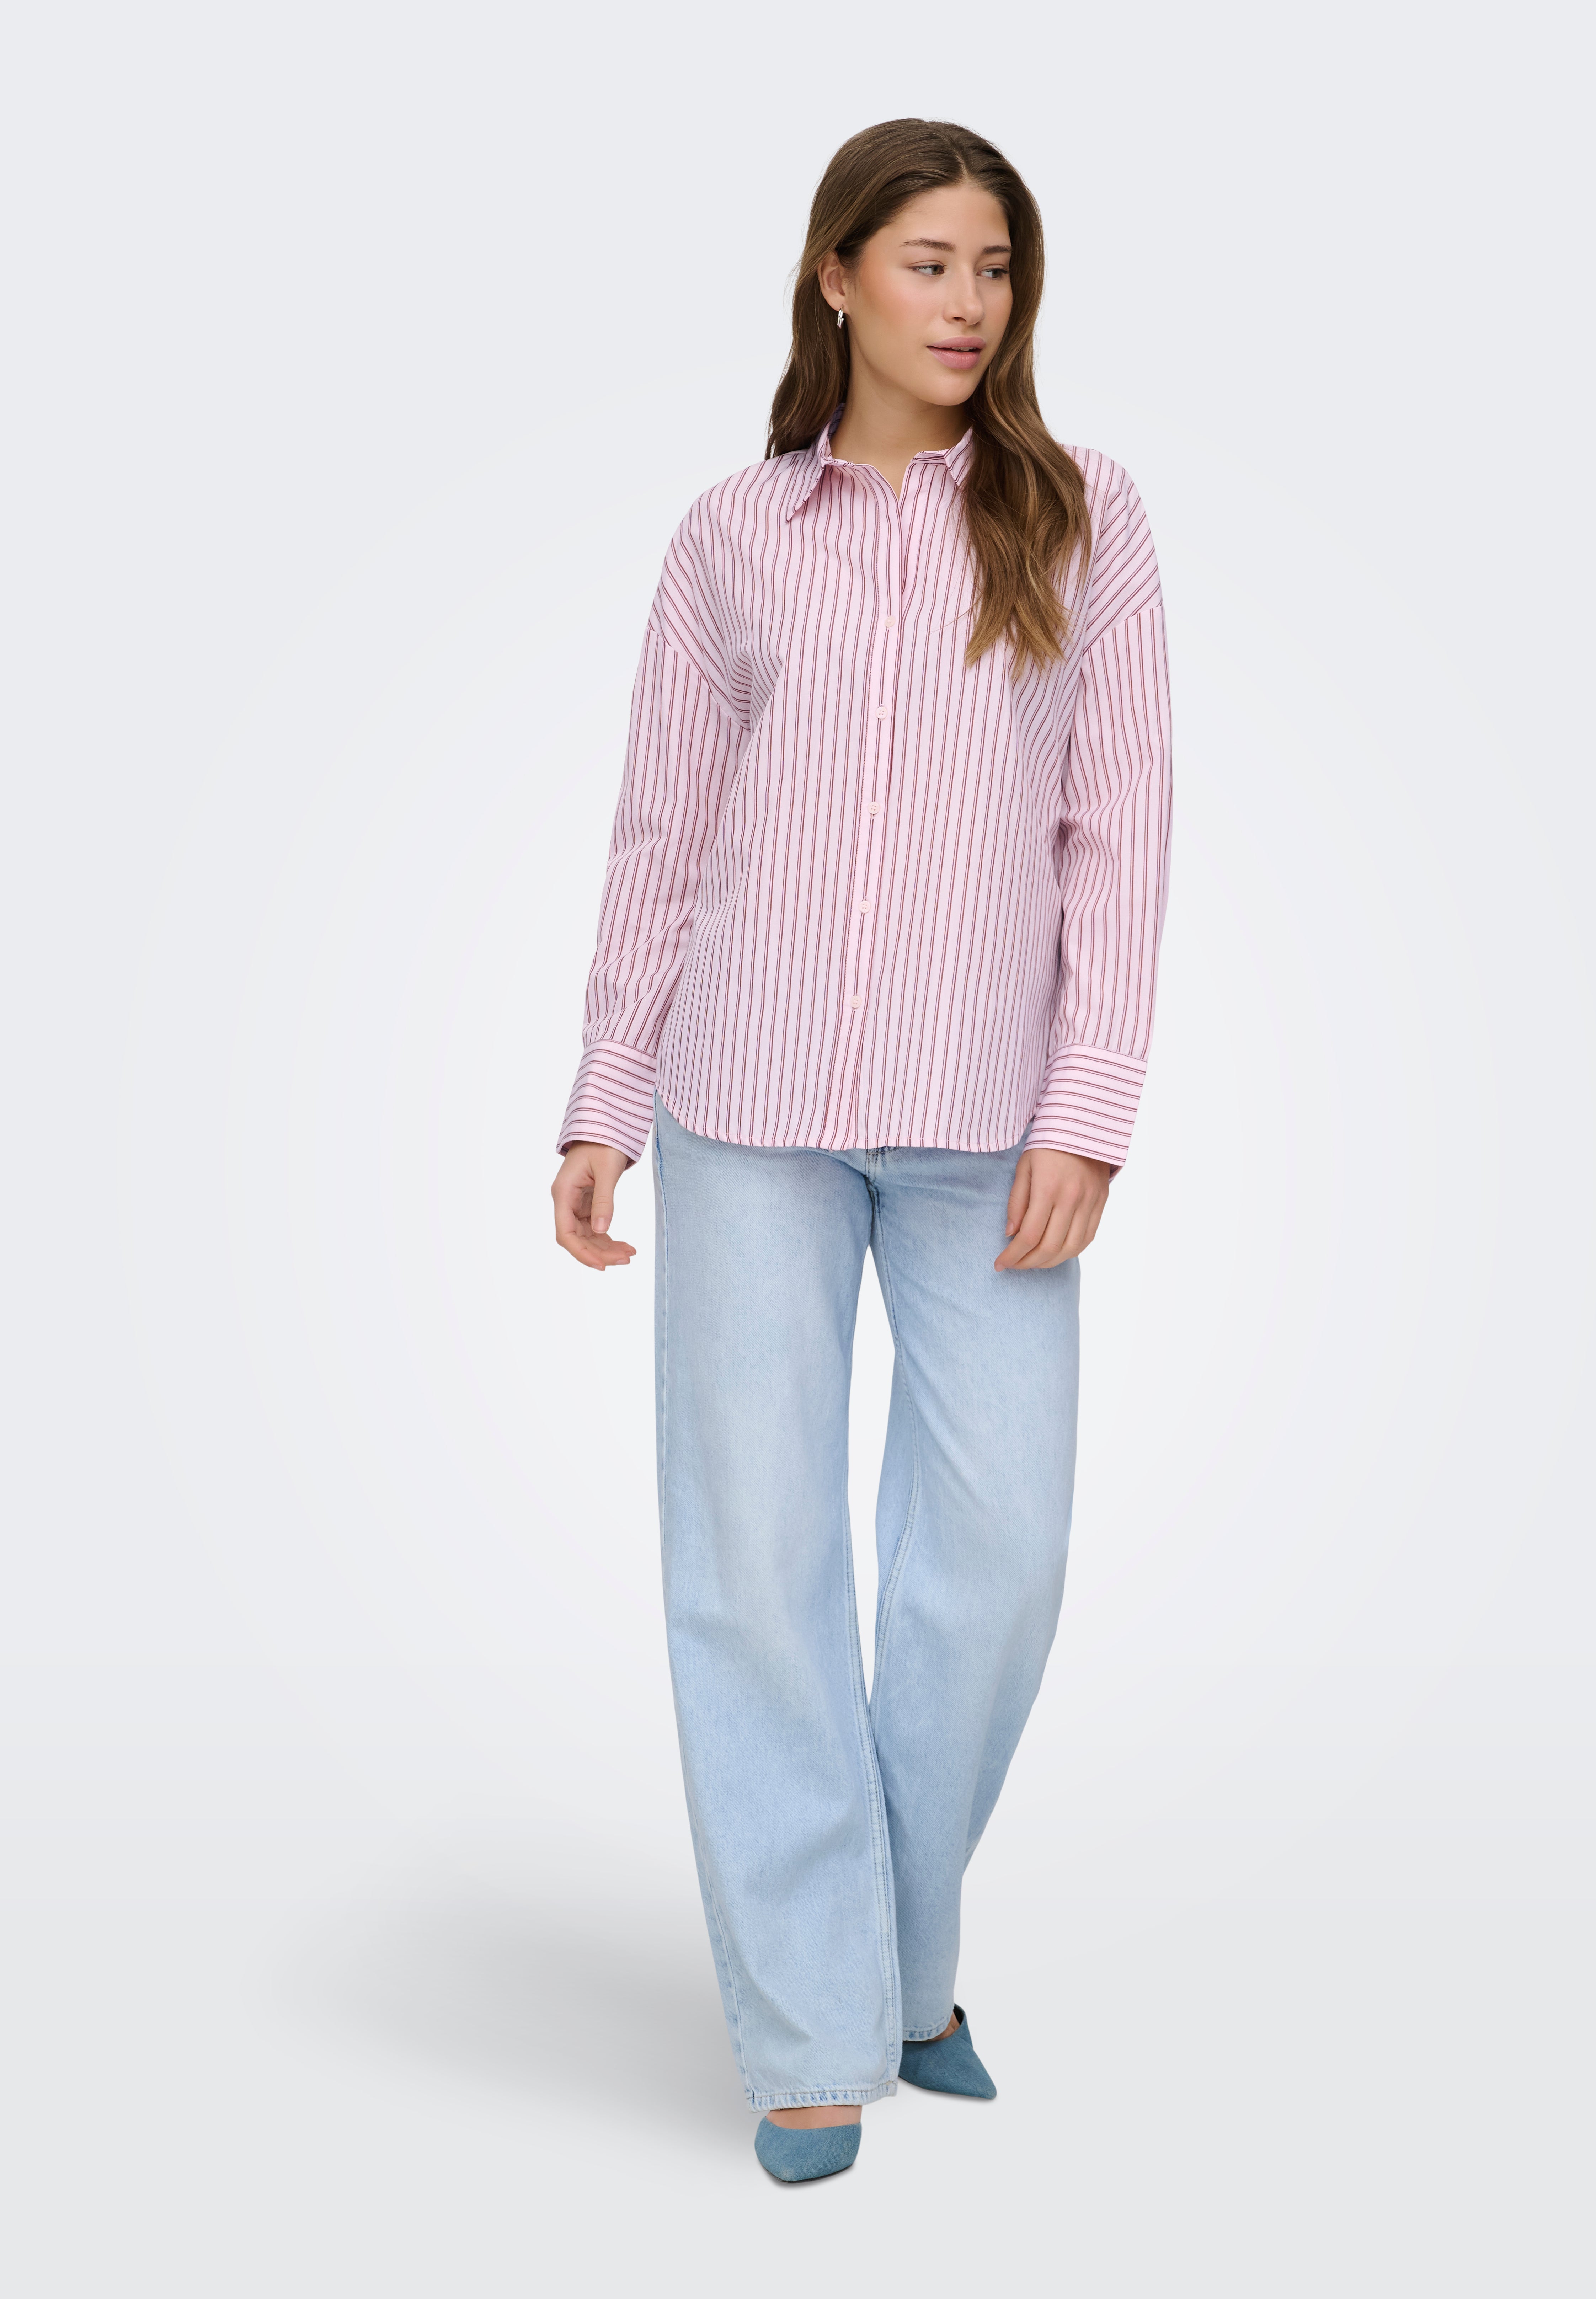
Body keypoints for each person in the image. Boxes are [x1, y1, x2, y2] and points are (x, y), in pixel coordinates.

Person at [551, 117, 1171, 2184]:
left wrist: (1091, 1105)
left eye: (995, 267)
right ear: (836, 277)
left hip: (990, 1122)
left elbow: (1120, 829)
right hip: (744, 1109)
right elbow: (662, 829)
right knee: (757, 1565)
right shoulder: (732, 535)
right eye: (927, 262)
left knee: (999, 1558)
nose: (966, 303)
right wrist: (603, 1096)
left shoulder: (1084, 518)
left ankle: (899, 1957)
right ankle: (819, 2030)